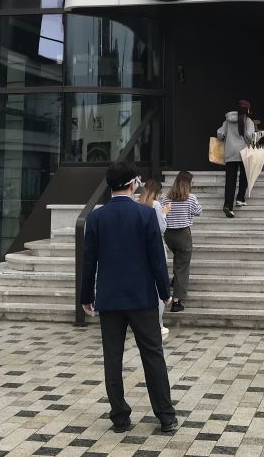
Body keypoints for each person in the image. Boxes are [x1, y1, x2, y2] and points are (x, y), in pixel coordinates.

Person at [80, 161, 178, 434]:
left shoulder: (96, 218)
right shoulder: (145, 215)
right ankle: (166, 416)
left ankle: (120, 417)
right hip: (142, 297)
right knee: (153, 355)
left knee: (112, 358)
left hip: (109, 298)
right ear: (134, 183)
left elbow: (88, 261)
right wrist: (165, 292)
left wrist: (86, 295)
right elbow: (157, 259)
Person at [217, 100, 264, 218]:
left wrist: (226, 137)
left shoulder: (227, 121)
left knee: (230, 181)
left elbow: (220, 134)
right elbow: (250, 136)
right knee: (245, 176)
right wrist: (261, 134)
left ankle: (228, 205)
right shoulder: (248, 121)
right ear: (247, 109)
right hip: (244, 152)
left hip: (230, 153)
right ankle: (240, 198)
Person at [164, 170, 201, 313]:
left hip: (169, 234)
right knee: (183, 266)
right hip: (183, 234)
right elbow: (198, 211)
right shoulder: (190, 198)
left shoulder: (167, 197)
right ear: (188, 183)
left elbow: (162, 212)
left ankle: (176, 279)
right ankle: (176, 301)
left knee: (179, 260)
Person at [138, 179, 171, 337]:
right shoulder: (155, 205)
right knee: (158, 287)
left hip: (139, 249)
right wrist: (164, 213)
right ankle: (158, 323)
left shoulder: (136, 203)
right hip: (155, 247)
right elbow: (161, 228)